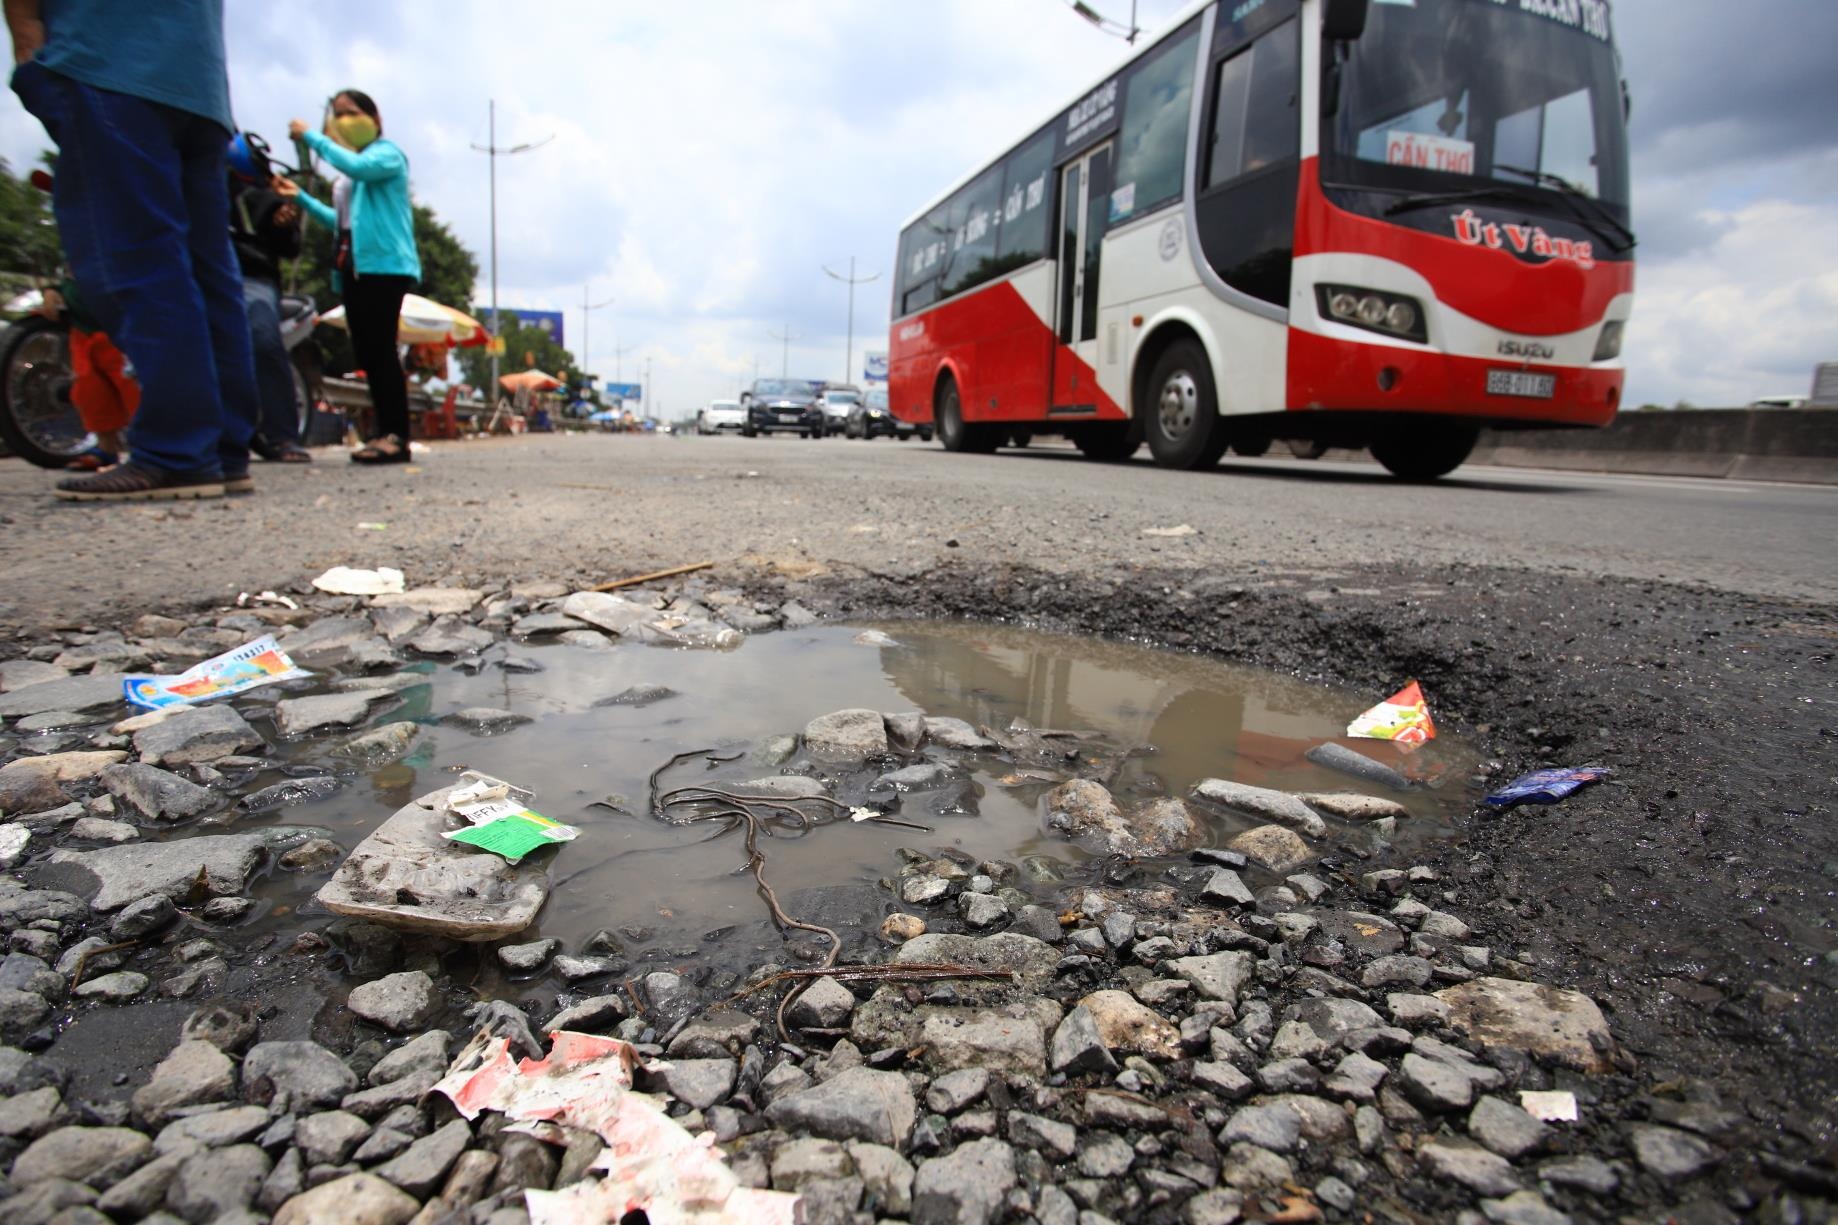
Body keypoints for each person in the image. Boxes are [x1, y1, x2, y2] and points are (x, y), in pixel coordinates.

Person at [8, 0, 260, 501]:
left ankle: (178, 450)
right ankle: (223, 449)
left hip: (112, 66)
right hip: (200, 84)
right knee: (209, 272)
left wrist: (28, 55)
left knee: (137, 262)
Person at [282, 89, 421, 464]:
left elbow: (356, 168)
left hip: (384, 266)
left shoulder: (387, 155)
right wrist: (301, 199)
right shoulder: (353, 175)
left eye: (351, 112)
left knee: (382, 350)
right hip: (353, 267)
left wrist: (313, 137)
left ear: (374, 118)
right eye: (338, 114)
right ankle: (382, 433)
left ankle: (396, 435)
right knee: (369, 354)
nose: (345, 120)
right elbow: (341, 223)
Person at [226, 132, 310, 463]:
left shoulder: (263, 192)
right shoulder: (191, 178)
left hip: (252, 276)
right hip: (201, 271)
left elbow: (290, 247)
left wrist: (282, 224)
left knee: (263, 339)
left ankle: (283, 434)